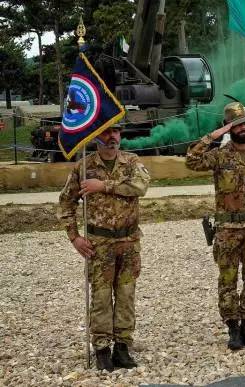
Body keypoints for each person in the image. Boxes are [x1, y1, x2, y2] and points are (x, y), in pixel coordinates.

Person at [186, 102, 245, 349]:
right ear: (229, 128)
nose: (243, 128)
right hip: (228, 230)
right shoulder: (220, 156)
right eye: (237, 125)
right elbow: (192, 160)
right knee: (227, 280)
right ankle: (233, 329)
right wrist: (213, 136)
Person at [58, 122, 150, 370]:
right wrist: (74, 237)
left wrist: (104, 186)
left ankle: (122, 347)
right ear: (95, 136)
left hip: (129, 242)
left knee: (126, 295)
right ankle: (101, 349)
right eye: (107, 132)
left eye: (116, 132)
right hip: (99, 244)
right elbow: (66, 203)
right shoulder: (84, 167)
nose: (112, 137)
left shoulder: (131, 162)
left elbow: (141, 187)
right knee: (100, 297)